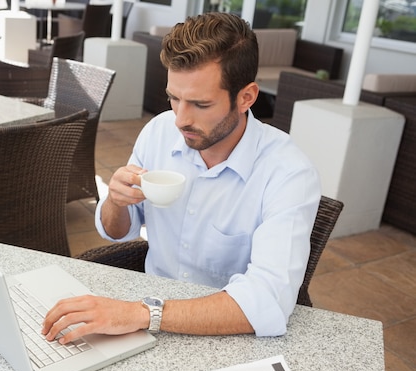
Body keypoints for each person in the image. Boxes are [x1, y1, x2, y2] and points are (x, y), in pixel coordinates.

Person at [42, 12, 321, 341]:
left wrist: (141, 313)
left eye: (200, 104)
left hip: (228, 335)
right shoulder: (159, 131)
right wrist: (116, 202)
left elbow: (266, 299)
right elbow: (117, 231)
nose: (180, 119)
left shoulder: (288, 173)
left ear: (246, 97)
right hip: (146, 320)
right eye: (174, 98)